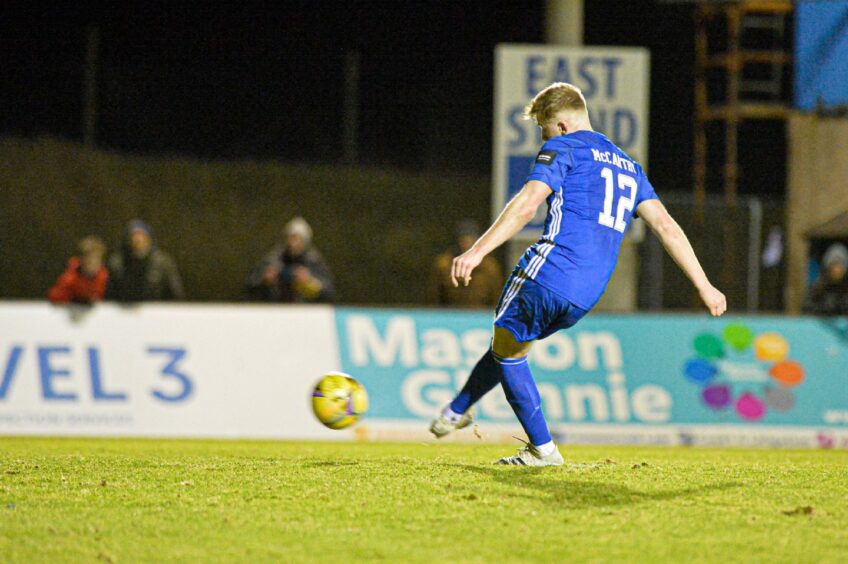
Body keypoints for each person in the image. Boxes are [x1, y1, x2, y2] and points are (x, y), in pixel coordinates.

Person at [429, 82, 727, 466]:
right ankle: (457, 411)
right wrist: (704, 285)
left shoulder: (564, 147)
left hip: (550, 270)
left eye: (544, 130)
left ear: (563, 125)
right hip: (586, 294)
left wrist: (477, 251)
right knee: (510, 345)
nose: (543, 139)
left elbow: (527, 206)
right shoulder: (629, 166)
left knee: (507, 342)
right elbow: (666, 226)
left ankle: (542, 450)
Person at [245, 217, 335, 303]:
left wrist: (310, 282)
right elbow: (250, 285)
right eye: (290, 238)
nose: (293, 243)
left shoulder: (313, 261)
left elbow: (329, 292)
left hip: (305, 312)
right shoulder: (273, 259)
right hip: (275, 310)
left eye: (297, 239)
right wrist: (264, 281)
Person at [428, 220, 502, 308]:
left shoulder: (489, 267)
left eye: (471, 239)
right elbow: (433, 297)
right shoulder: (444, 265)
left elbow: (497, 298)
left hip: (480, 316)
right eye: (463, 240)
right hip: (450, 316)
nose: (466, 244)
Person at [107, 219, 185, 302]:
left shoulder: (163, 262)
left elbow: (176, 295)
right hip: (124, 311)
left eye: (142, 237)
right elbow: (109, 295)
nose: (138, 241)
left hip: (156, 311)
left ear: (149, 239)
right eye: (134, 237)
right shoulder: (116, 263)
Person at [47, 236, 109, 304]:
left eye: (96, 260)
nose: (92, 263)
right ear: (81, 260)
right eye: (89, 261)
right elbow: (55, 297)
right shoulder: (69, 279)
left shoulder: (105, 276)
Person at [805, 243, 848, 315]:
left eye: (839, 265)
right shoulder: (817, 289)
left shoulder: (846, 289)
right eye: (833, 264)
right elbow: (807, 308)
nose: (836, 269)